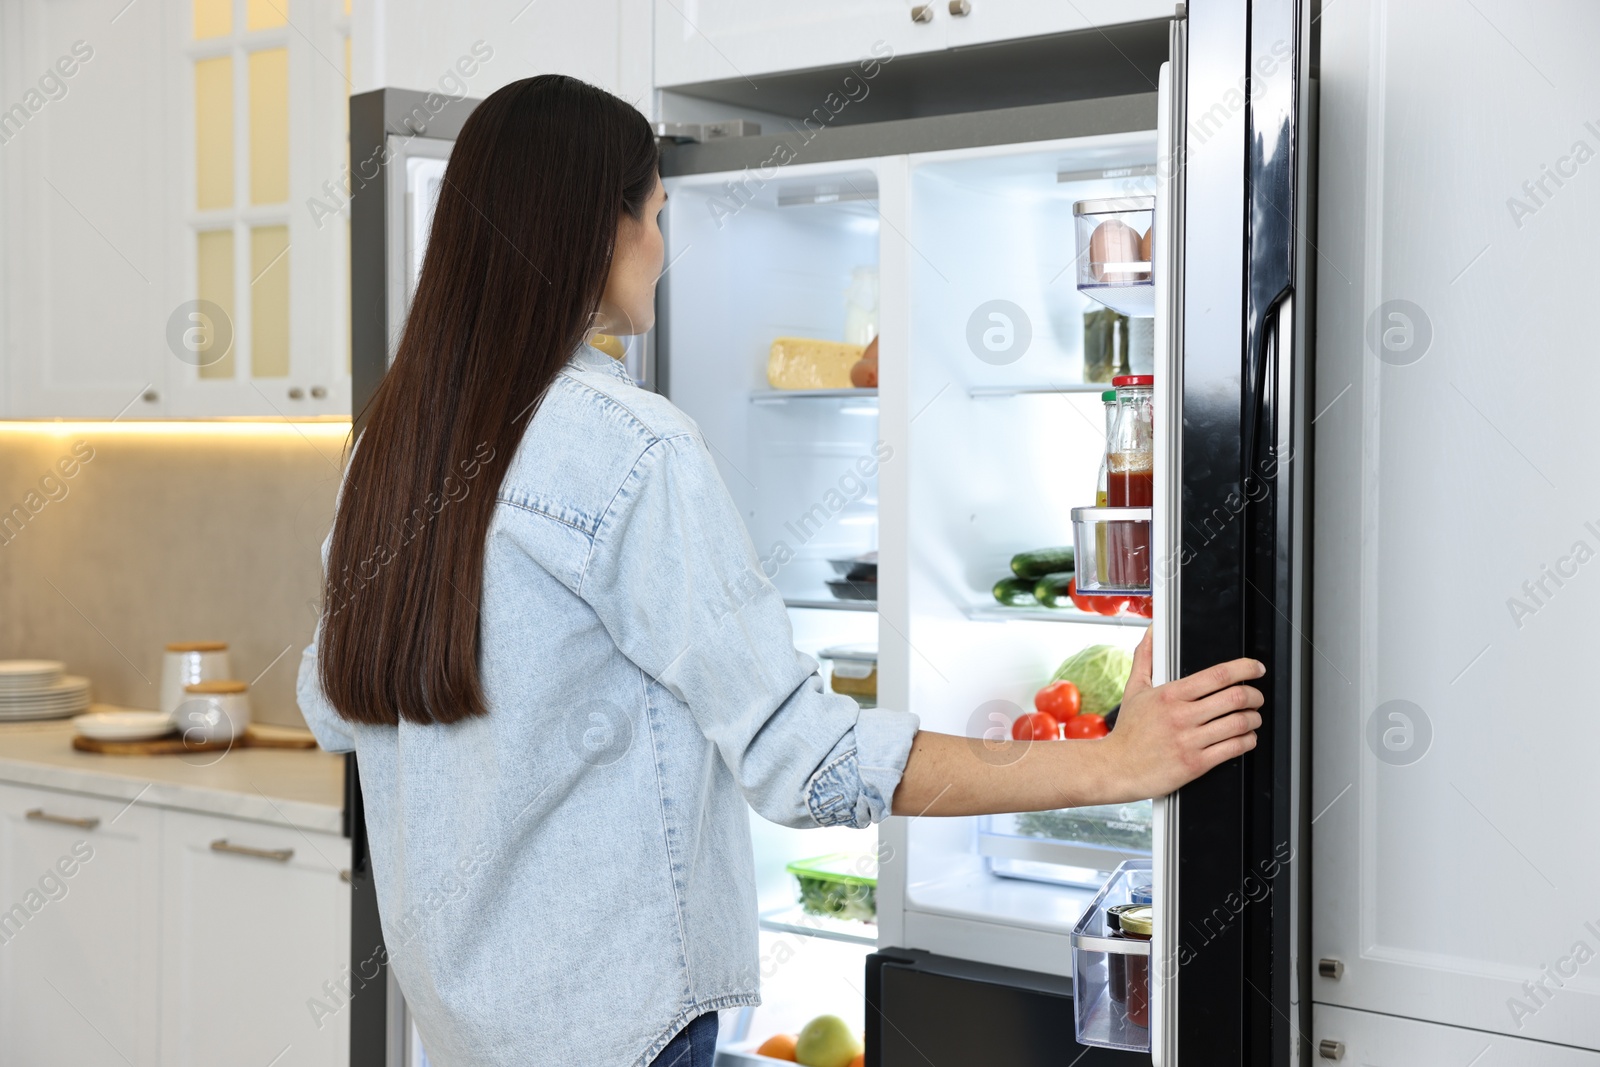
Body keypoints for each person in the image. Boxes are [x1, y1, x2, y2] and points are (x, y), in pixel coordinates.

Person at [296, 74, 1264, 1067]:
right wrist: (1112, 761)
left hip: (465, 1028)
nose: (663, 252)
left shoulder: (394, 454)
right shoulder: (636, 450)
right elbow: (803, 758)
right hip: (622, 1033)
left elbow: (337, 706)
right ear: (603, 227)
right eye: (657, 214)